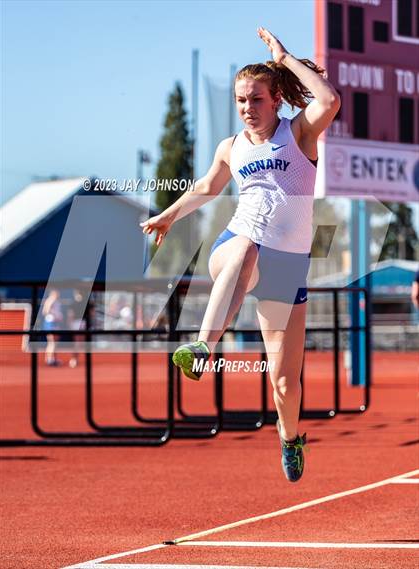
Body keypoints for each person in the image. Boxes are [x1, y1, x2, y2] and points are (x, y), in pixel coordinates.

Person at [140, 27, 340, 482]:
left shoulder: (299, 134)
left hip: (286, 268)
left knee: (285, 383)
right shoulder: (231, 147)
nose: (247, 109)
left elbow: (328, 100)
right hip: (234, 248)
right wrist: (169, 216)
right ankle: (203, 347)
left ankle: (290, 438)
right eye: (240, 101)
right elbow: (208, 188)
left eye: (255, 99)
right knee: (247, 245)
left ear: (275, 101)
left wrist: (285, 58)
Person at [42, 288, 64, 366]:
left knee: (54, 343)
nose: (58, 293)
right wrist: (55, 315)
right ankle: (49, 359)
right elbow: (45, 311)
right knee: (52, 342)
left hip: (56, 323)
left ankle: (52, 359)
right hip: (51, 323)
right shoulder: (50, 300)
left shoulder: (57, 301)